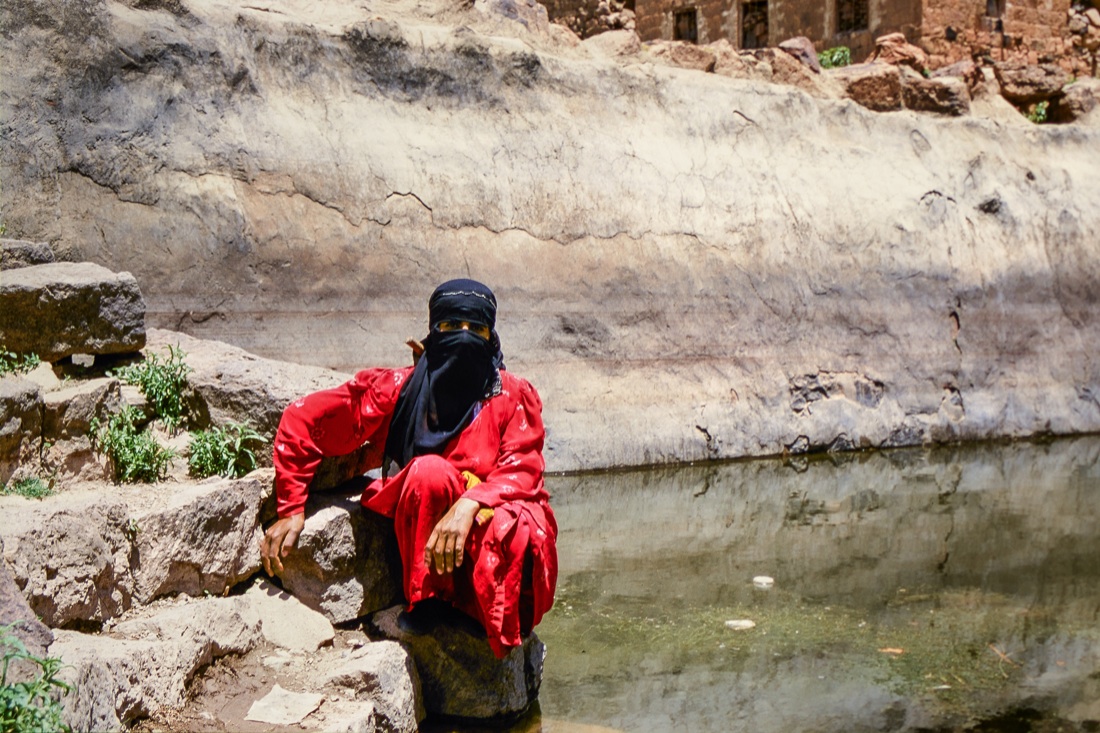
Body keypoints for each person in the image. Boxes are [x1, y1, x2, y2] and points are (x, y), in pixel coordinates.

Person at [260, 279, 557, 658]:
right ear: (434, 332)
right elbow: (306, 419)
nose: (464, 337)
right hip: (425, 519)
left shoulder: (512, 395)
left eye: (476, 329)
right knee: (428, 473)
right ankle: (428, 599)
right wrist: (291, 507)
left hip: (484, 519)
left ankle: (485, 613)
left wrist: (469, 504)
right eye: (452, 327)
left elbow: (523, 470)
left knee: (517, 525)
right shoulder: (401, 388)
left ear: (491, 336)